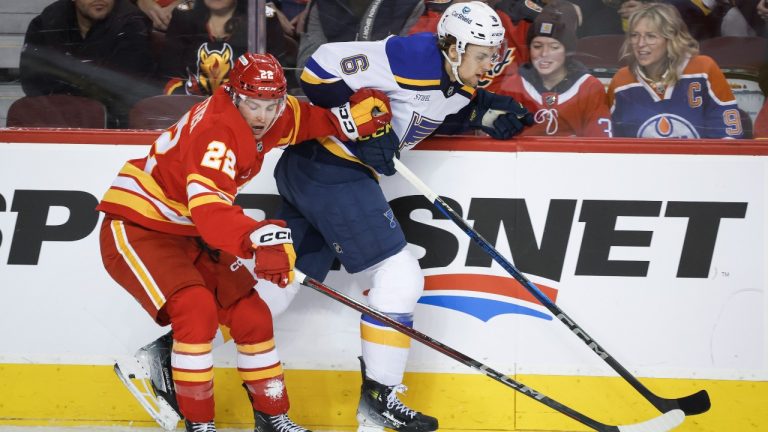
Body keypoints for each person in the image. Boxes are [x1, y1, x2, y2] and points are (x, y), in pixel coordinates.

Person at [99, 52, 393, 432]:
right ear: (233, 94)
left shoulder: (272, 111)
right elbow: (210, 212)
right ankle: (200, 424)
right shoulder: (217, 134)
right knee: (197, 312)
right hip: (142, 225)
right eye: (253, 105)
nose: (261, 116)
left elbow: (300, 121)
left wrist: (345, 122)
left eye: (271, 105)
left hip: (190, 230)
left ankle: (272, 416)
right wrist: (255, 236)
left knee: (253, 316)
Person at [276, 2, 532, 431]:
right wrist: (357, 122)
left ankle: (172, 354)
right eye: (482, 53)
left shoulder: (461, 82)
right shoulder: (412, 57)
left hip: (316, 171)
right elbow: (318, 69)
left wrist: (489, 112)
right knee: (398, 280)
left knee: (278, 281)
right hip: (330, 165)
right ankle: (379, 404)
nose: (490, 62)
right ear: (452, 46)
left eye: (493, 53)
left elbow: (446, 104)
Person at [607, 3, 744, 138]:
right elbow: (610, 142)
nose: (640, 44)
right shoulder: (622, 81)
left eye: (651, 36)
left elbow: (729, 136)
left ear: (671, 38)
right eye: (634, 35)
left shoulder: (703, 69)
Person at [19, 0, 156, 128]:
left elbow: (122, 87)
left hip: (113, 125)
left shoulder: (132, 23)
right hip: (54, 119)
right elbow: (32, 80)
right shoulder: (47, 22)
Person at [488, 1, 613, 136]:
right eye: (537, 46)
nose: (544, 54)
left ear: (567, 51)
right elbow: (498, 147)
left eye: (554, 47)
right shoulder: (512, 86)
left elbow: (600, 147)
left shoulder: (589, 88)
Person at [159, 0, 295, 95]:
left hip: (246, 110)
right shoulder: (184, 15)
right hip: (189, 108)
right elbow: (169, 75)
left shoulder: (263, 18)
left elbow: (277, 76)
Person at [294, 0, 425, 82]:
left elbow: (408, 73)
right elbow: (305, 70)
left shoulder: (411, 6)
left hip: (390, 104)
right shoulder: (323, 4)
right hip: (331, 99)